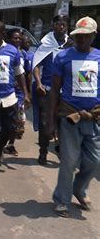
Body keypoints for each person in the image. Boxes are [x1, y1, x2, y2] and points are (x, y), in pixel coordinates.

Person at [49, 16, 100, 217]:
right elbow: (54, 89)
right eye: (78, 36)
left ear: (93, 36)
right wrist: (51, 121)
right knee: (69, 162)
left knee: (95, 160)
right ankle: (62, 199)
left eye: (86, 36)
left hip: (94, 118)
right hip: (70, 117)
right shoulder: (62, 57)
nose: (82, 40)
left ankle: (79, 189)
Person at [0, 21, 29, 165]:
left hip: (9, 97)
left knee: (10, 130)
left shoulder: (12, 50)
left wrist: (26, 93)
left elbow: (19, 73)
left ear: (2, 34)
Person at [32, 15, 71, 165]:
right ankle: (43, 151)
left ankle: (61, 150)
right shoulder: (45, 45)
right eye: (58, 24)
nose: (61, 27)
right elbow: (36, 65)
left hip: (64, 92)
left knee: (64, 123)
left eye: (64, 24)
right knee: (45, 123)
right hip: (47, 91)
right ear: (53, 26)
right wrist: (39, 83)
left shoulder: (71, 44)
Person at [4, 28, 31, 156]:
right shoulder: (4, 52)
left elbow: (25, 73)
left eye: (20, 38)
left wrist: (27, 92)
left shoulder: (23, 54)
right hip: (5, 91)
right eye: (15, 38)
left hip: (19, 92)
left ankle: (11, 144)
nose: (18, 40)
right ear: (9, 39)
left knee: (18, 120)